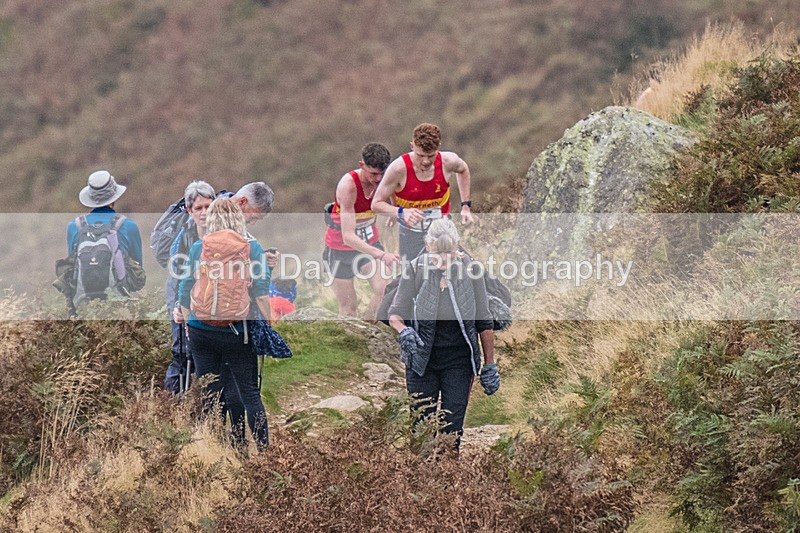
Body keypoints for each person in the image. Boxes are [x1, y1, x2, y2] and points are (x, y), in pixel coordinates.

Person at [387, 218, 499, 449]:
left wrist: (490, 365)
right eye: (438, 253)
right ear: (428, 246)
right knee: (421, 430)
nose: (443, 260)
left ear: (457, 247)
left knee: (451, 430)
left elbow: (484, 322)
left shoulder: (471, 271)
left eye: (449, 253)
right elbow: (395, 314)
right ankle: (419, 481)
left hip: (458, 360)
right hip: (421, 360)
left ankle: (446, 479)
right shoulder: (414, 269)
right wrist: (404, 331)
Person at [177, 197, 272, 450]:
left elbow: (184, 288)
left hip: (201, 330)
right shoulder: (253, 249)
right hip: (237, 331)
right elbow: (261, 293)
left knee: (211, 393)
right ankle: (264, 453)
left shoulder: (200, 247)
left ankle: (215, 450)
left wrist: (188, 324)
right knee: (248, 392)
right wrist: (268, 326)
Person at [372, 123, 475, 260]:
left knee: (470, 270)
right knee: (413, 278)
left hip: (442, 231)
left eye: (430, 156)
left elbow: (463, 170)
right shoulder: (398, 169)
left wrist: (465, 206)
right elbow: (376, 204)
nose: (426, 161)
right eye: (420, 155)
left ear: (438, 147)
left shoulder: (448, 161)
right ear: (412, 146)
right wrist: (401, 212)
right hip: (411, 234)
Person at [324, 142, 399, 318]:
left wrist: (394, 211)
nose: (379, 179)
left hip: (369, 242)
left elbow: (394, 189)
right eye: (373, 174)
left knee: (384, 289)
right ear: (362, 165)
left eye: (382, 174)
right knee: (349, 306)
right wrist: (382, 255)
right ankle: (351, 341)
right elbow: (348, 236)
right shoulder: (349, 186)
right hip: (340, 248)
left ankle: (368, 332)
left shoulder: (386, 178)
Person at [62, 170, 144, 311]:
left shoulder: (74, 227)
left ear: (90, 197)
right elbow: (138, 272)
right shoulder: (129, 226)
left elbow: (72, 268)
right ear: (114, 197)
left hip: (84, 305)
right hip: (120, 306)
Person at [163, 180, 216, 394]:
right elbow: (177, 275)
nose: (203, 213)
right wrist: (179, 306)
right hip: (183, 298)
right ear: (188, 210)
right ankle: (174, 406)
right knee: (182, 353)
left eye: (207, 206)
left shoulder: (225, 233)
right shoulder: (183, 238)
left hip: (212, 301)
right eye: (198, 208)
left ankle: (206, 404)